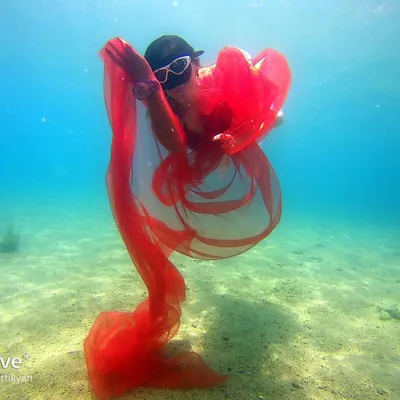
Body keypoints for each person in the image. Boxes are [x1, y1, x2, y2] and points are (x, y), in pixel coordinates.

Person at [84, 35, 291, 400]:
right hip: (195, 153)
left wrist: (248, 130)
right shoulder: (159, 100)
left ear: (196, 64)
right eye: (164, 77)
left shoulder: (216, 81)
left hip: (226, 131)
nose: (175, 85)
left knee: (278, 118)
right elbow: (176, 145)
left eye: (180, 69)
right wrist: (148, 88)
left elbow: (267, 107)